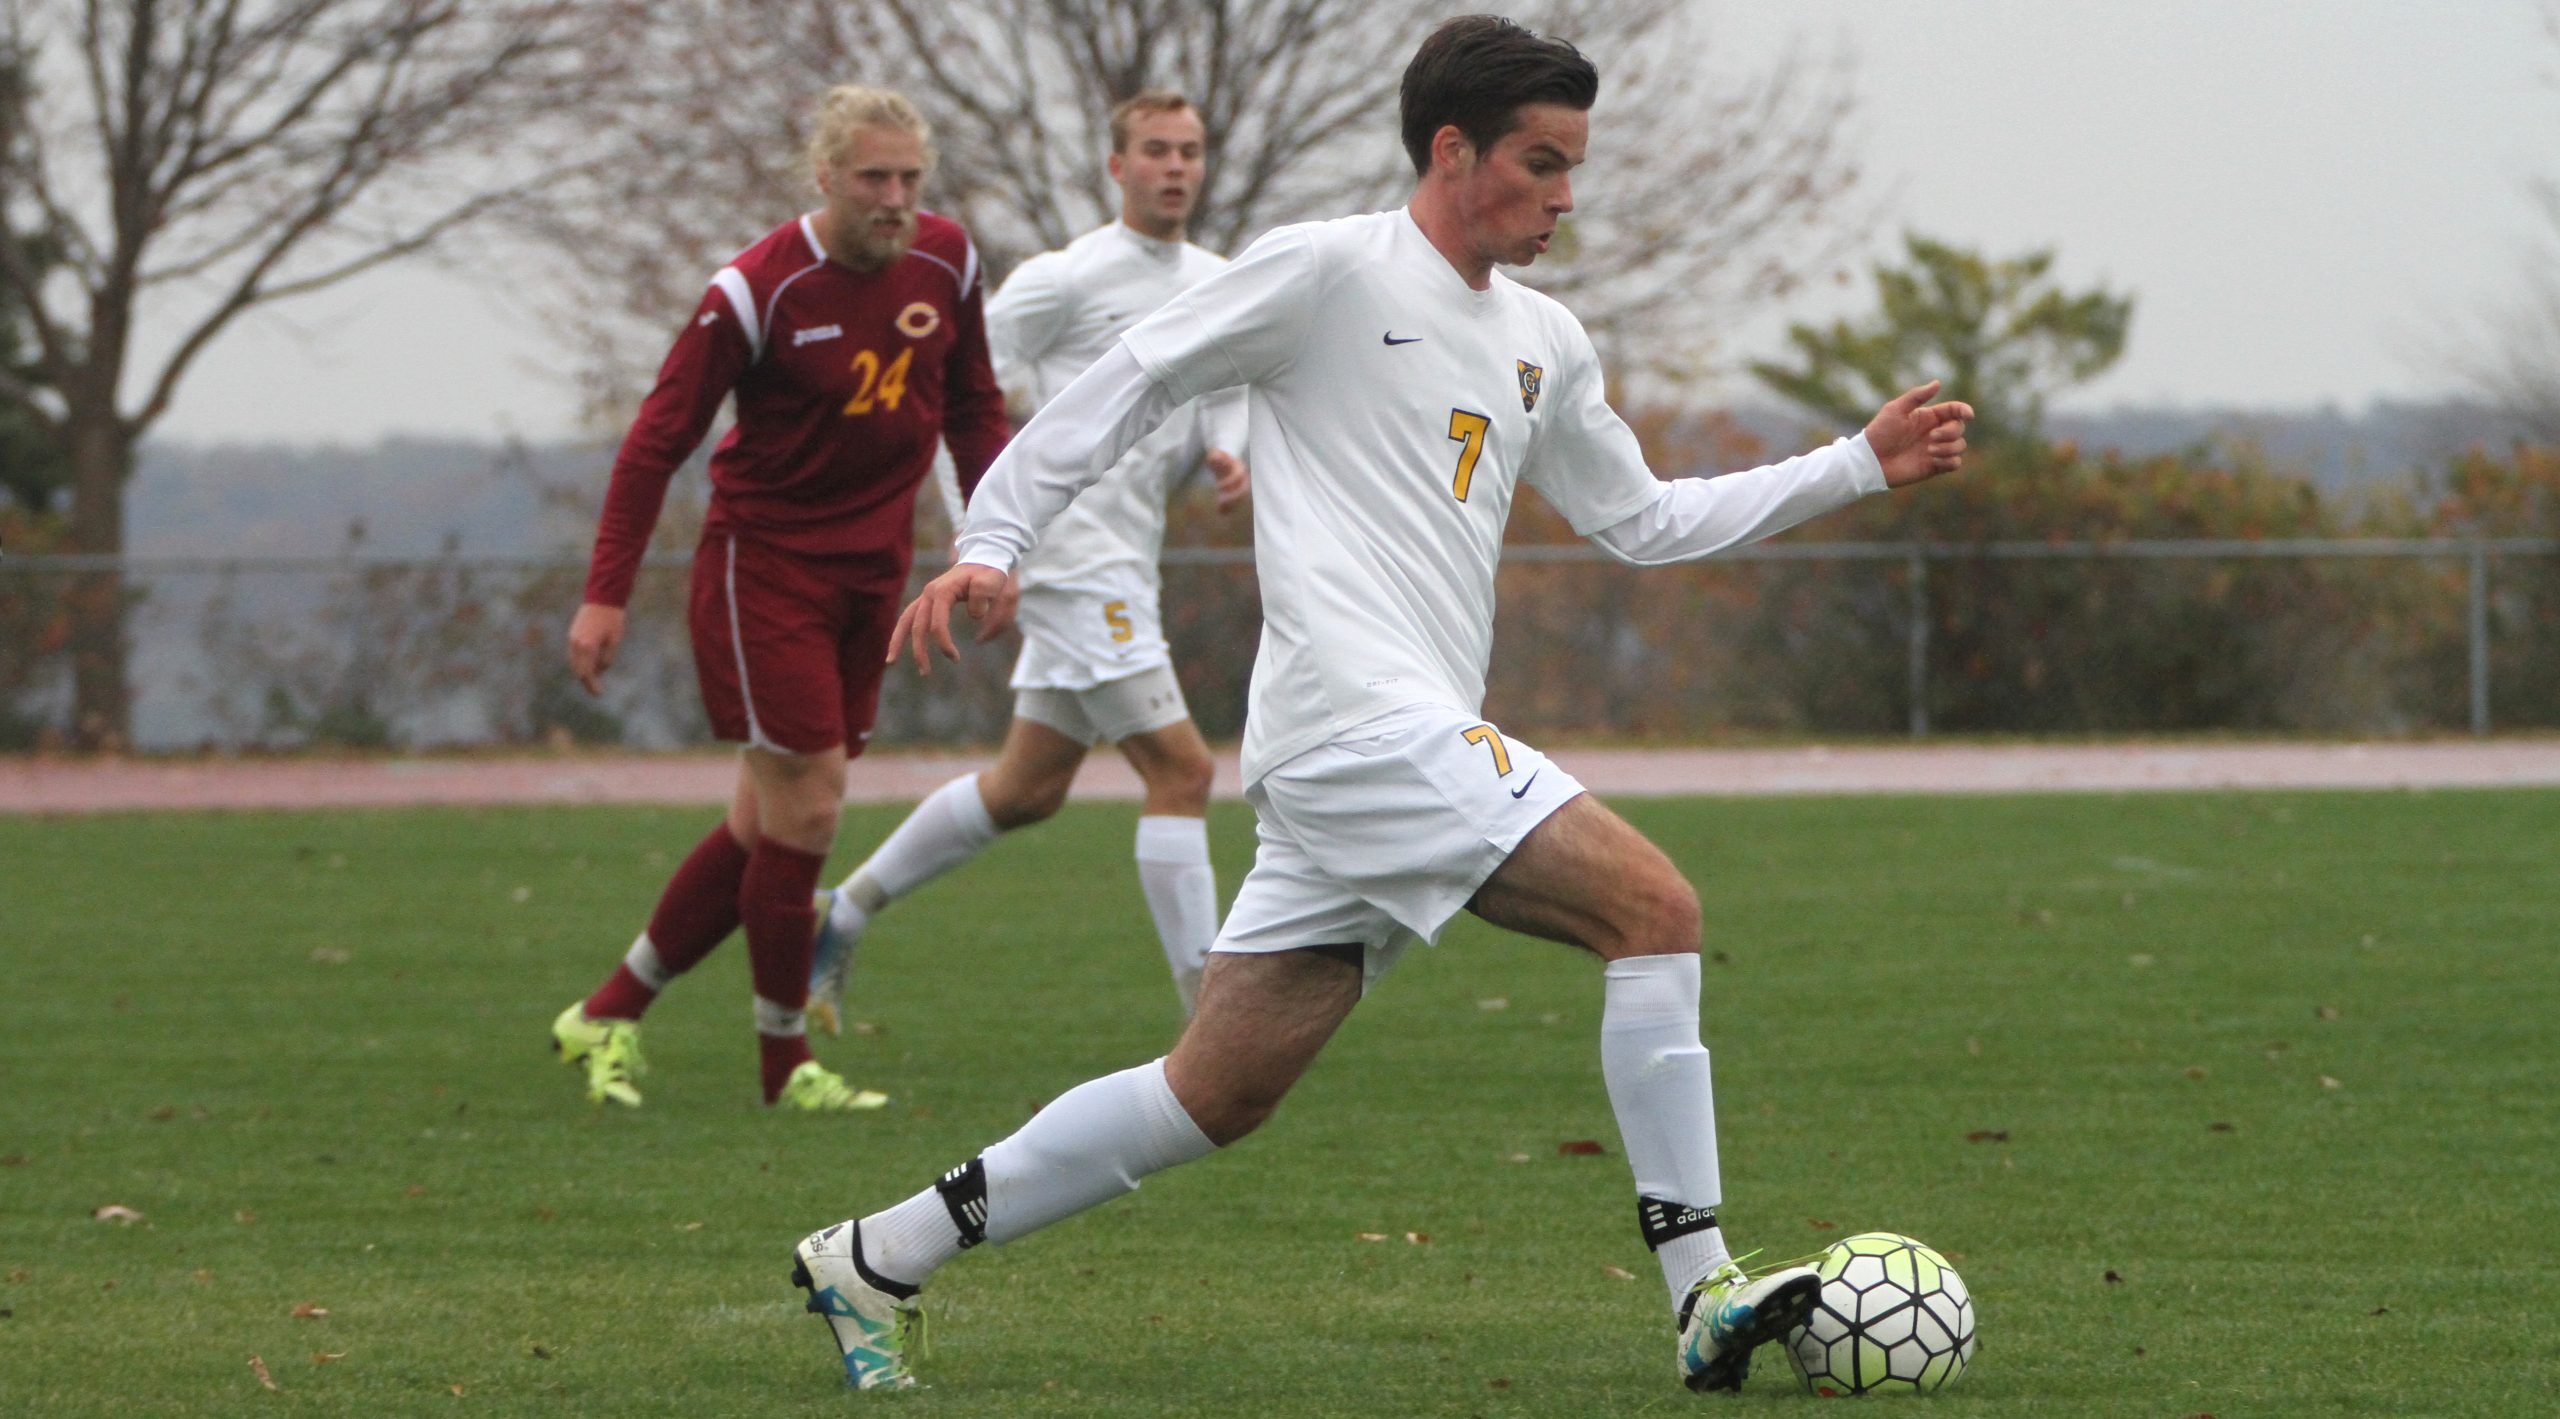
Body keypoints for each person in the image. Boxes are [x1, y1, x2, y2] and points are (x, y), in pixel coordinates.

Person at [788, 16, 1973, 1395]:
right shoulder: (1327, 270)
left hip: (1361, 759)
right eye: (1542, 163)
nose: (1565, 199)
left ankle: (873, 1254)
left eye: (1577, 166)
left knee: (1211, 1092)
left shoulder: (1545, 336)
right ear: (1454, 149)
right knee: (1656, 909)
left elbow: (1645, 519)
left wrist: (1854, 465)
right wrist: (995, 539)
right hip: (1360, 726)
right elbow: (1129, 380)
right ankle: (1701, 1286)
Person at [549, 87, 1008, 1113]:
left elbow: (974, 407)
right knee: (810, 806)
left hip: (870, 577)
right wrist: (604, 594)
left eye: (908, 180)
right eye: (872, 179)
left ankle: (608, 1011)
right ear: (825, 177)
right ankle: (783, 1064)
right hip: (762, 574)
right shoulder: (755, 290)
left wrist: (993, 543)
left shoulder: (949, 261)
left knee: (768, 825)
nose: (894, 199)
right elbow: (656, 441)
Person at [806, 90, 1249, 1033]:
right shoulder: (1066, 280)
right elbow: (950, 391)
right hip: (1069, 556)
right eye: (1157, 151)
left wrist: (1228, 444)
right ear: (1116, 167)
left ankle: (840, 911)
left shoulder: (1216, 278)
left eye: (1190, 151)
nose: (1176, 167)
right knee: (1182, 770)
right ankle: (1212, 1017)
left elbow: (1223, 388)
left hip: (1130, 556)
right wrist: (981, 545)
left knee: (1027, 789)